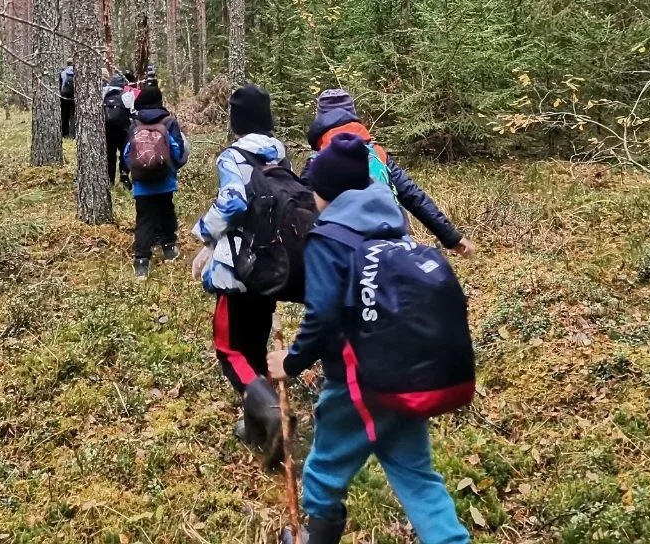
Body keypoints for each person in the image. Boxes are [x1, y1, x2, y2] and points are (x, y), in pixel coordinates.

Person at [267, 134, 470, 544]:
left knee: (324, 469)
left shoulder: (329, 238)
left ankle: (316, 538)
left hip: (358, 380)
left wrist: (290, 362)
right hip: (405, 370)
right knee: (416, 475)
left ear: (323, 192)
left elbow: (322, 315)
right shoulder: (390, 223)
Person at [190, 83, 288, 466]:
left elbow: (233, 203)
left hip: (239, 269)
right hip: (273, 266)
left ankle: (272, 414)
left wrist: (204, 233)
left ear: (236, 122)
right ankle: (255, 425)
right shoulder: (280, 153)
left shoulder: (232, 156)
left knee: (229, 348)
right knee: (256, 343)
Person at [304, 89, 473, 256]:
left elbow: (301, 212)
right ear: (353, 116)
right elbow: (413, 196)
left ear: (319, 121)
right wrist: (451, 237)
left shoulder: (315, 163)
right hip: (393, 246)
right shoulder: (377, 154)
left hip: (341, 252)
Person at [122, 82, 188, 277]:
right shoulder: (169, 122)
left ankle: (141, 262)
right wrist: (171, 168)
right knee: (166, 212)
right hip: (165, 180)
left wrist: (134, 172)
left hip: (142, 183)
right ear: (160, 101)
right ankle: (169, 249)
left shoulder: (135, 125)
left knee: (144, 219)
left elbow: (126, 154)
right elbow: (178, 151)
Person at [103, 72, 132, 186]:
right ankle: (124, 173)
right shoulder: (126, 95)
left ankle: (110, 180)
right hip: (123, 129)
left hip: (108, 129)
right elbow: (132, 111)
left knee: (110, 154)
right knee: (124, 152)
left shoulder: (104, 95)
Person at [59, 60, 76, 138]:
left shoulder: (63, 72)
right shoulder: (76, 71)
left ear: (67, 64)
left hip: (64, 95)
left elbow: (60, 84)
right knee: (73, 114)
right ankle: (72, 134)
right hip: (74, 96)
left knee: (64, 114)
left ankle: (64, 133)